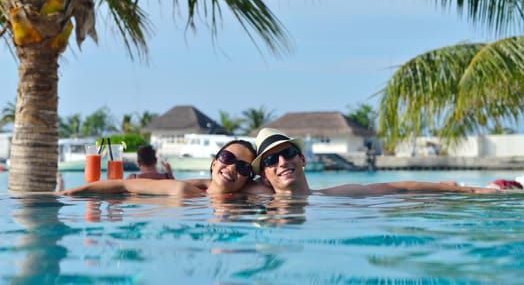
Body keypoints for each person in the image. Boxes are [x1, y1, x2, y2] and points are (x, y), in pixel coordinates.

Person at [251, 128, 499, 196]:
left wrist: (465, 189)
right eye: (271, 159)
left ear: (302, 158)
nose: (282, 161)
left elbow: (399, 188)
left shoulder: (332, 196)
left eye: (289, 153)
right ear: (264, 175)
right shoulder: (255, 200)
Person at [60, 140, 271, 196]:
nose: (232, 168)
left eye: (243, 167)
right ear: (214, 162)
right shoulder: (184, 191)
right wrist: (67, 193)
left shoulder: (252, 195)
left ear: (248, 178)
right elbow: (125, 184)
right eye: (227, 157)